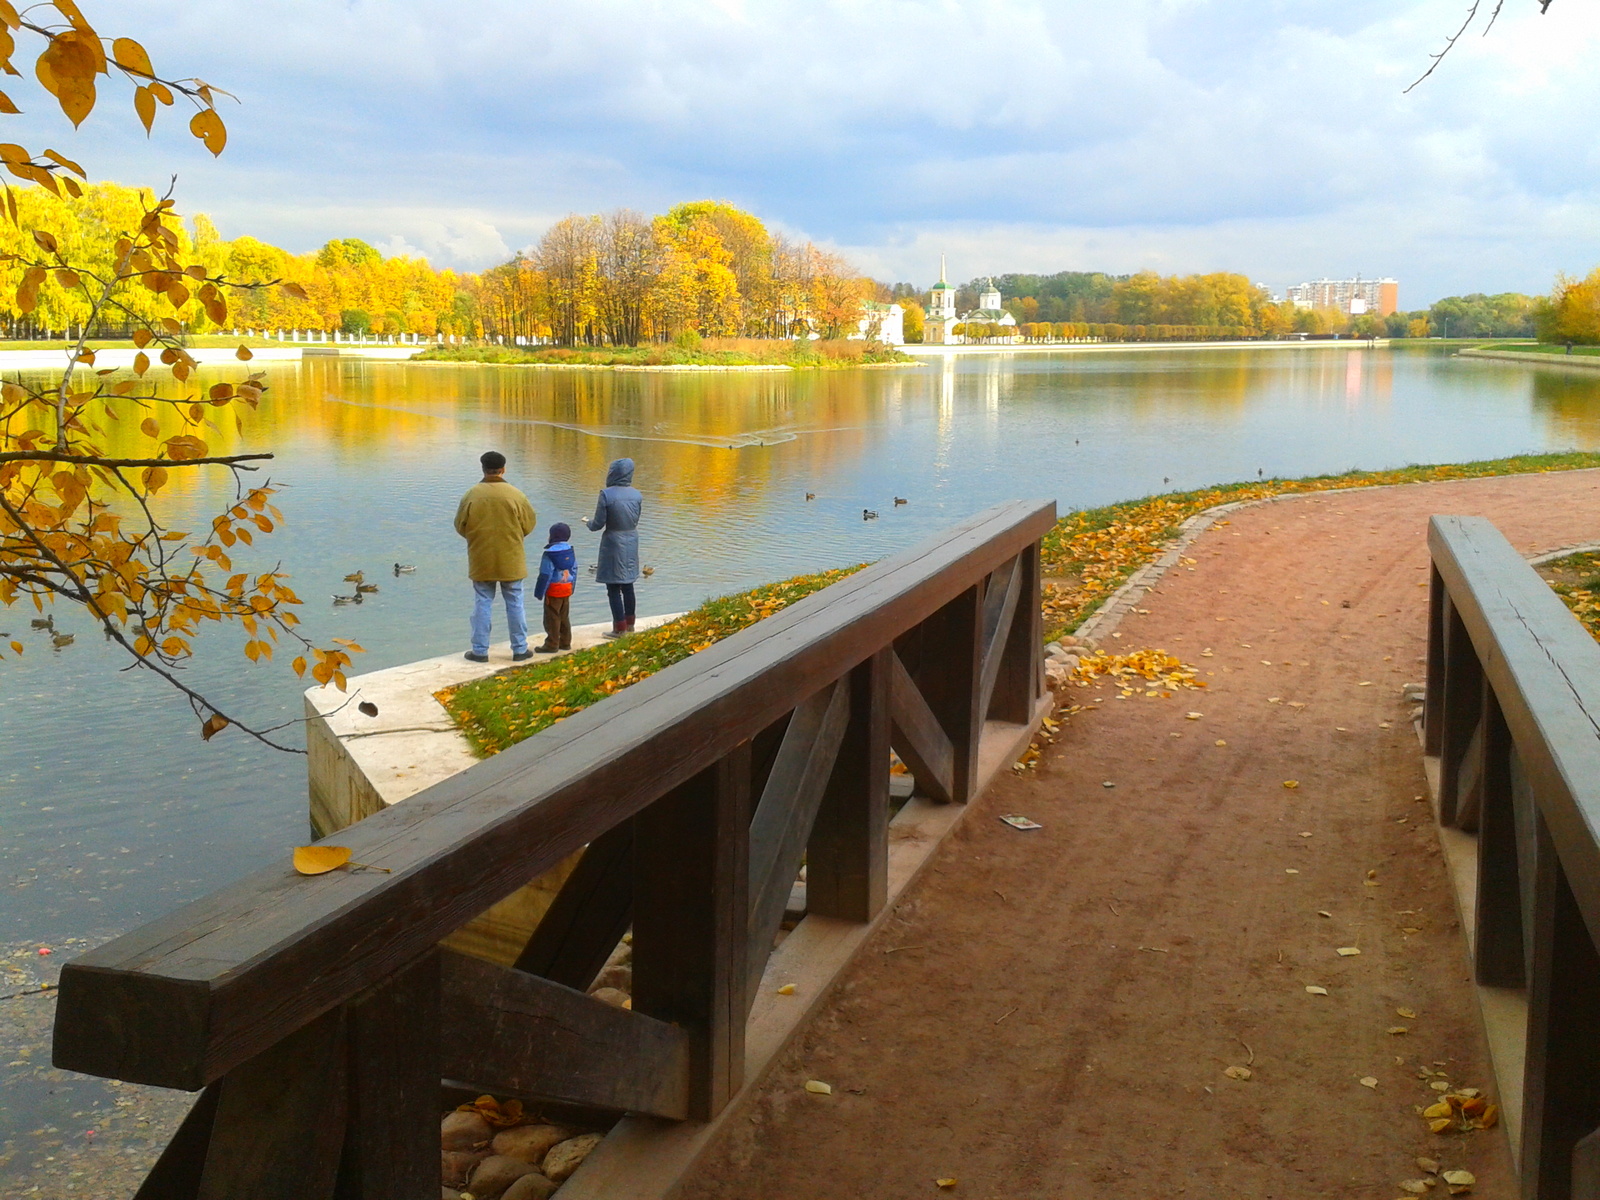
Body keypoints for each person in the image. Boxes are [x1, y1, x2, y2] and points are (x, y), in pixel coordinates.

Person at [453, 450, 538, 663]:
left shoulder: (471, 495)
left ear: (483, 469)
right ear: (503, 469)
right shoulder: (516, 495)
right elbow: (529, 525)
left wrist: (476, 538)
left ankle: (480, 651)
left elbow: (460, 526)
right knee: (515, 601)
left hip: (481, 556)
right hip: (512, 556)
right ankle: (519, 649)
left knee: (482, 601)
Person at [583, 457, 642, 638]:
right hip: (632, 539)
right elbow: (635, 519)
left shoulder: (606, 494)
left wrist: (588, 523)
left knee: (613, 587)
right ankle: (630, 624)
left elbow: (598, 524)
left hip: (613, 542)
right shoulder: (637, 494)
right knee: (628, 584)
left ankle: (619, 628)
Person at [532, 522, 577, 653]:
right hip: (567, 588)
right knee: (564, 616)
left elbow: (545, 574)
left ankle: (552, 644)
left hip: (553, 589)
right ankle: (565, 642)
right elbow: (575, 570)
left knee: (552, 617)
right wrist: (572, 588)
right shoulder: (570, 551)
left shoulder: (549, 554)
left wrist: (540, 592)